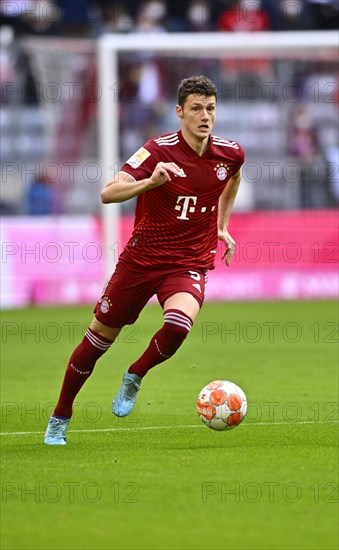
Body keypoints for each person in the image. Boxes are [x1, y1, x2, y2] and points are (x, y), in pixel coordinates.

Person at [44, 75, 245, 445]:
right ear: (179, 111)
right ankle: (61, 415)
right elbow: (108, 193)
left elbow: (233, 177)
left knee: (179, 325)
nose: (205, 116)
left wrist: (222, 225)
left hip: (188, 260)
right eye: (197, 108)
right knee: (98, 340)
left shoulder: (229, 153)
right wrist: (148, 184)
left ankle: (135, 375)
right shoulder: (156, 150)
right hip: (141, 261)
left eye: (211, 108)